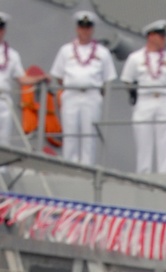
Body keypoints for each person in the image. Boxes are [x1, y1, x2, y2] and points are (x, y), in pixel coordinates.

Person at [50, 10, 116, 167]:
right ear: (77, 28)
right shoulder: (66, 50)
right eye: (82, 26)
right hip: (71, 95)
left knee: (89, 135)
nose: (85, 30)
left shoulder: (102, 52)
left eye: (88, 27)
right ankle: (68, 165)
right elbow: (59, 76)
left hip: (91, 96)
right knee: (70, 133)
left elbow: (108, 79)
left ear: (92, 29)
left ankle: (87, 167)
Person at [120, 21, 166, 175]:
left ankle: (164, 175)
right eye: (160, 36)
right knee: (143, 141)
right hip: (144, 100)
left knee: (164, 140)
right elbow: (127, 80)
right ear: (151, 36)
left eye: (164, 36)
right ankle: (143, 174)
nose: (164, 39)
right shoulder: (135, 58)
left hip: (164, 100)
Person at [0, 14, 24, 149]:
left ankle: (2, 170)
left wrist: (40, 79)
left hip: (4, 100)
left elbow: (21, 78)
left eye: (0, 28)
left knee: (3, 140)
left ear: (4, 30)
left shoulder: (12, 55)